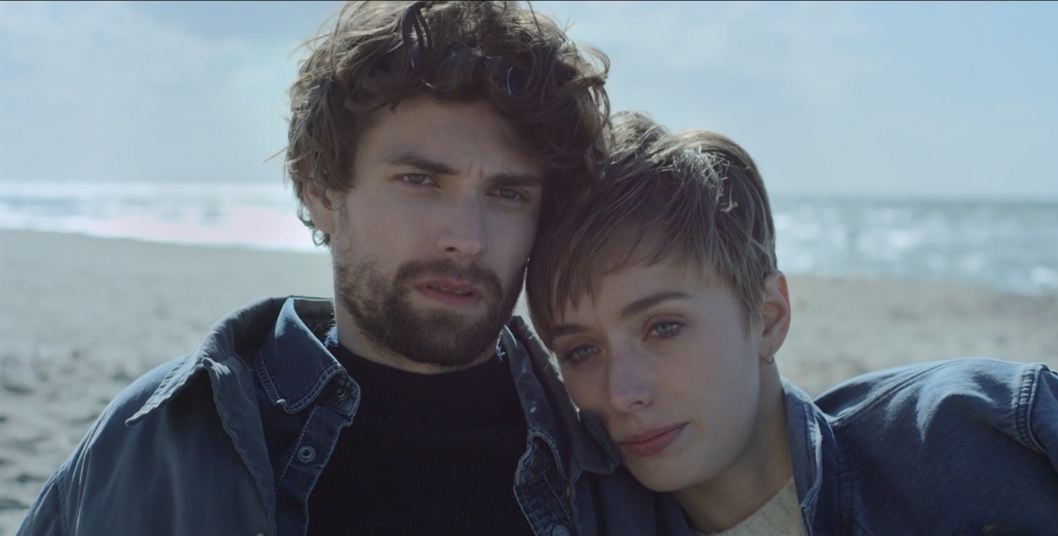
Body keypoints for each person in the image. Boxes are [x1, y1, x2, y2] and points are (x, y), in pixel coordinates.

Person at [18, 2, 660, 535]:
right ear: (323, 190)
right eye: (419, 181)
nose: (465, 239)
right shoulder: (162, 438)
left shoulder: (616, 467)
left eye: (507, 194)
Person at [525, 113, 1058, 535]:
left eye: (663, 327)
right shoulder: (582, 512)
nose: (622, 391)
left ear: (767, 317)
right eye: (581, 348)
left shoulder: (984, 429)